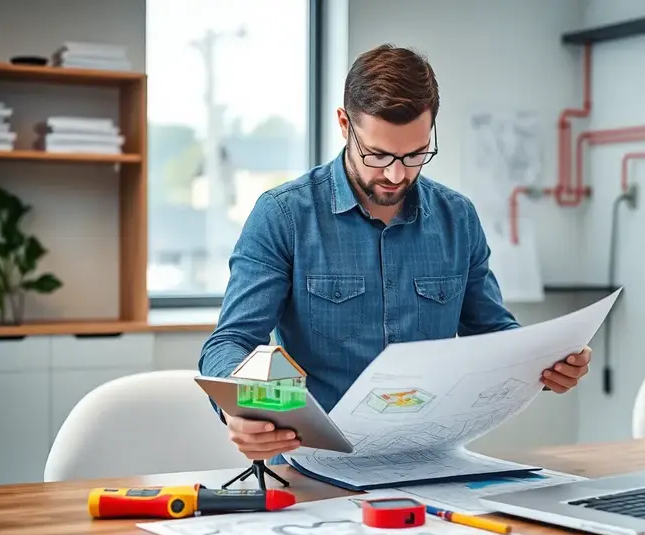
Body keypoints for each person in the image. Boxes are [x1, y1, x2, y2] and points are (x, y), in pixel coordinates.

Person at [198, 43, 593, 463]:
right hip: (315, 468)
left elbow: (493, 333)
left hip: (430, 465)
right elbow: (230, 342)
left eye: (415, 154)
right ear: (344, 125)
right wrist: (241, 410)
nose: (395, 174)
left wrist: (545, 364)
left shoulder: (457, 218)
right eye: (378, 154)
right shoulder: (283, 215)